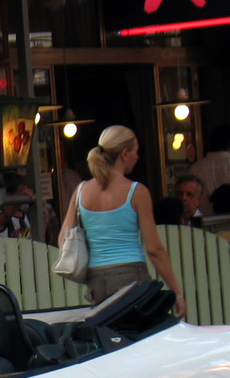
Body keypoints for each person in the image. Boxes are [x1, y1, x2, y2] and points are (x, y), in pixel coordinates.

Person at [59, 125, 187, 316]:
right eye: (136, 152)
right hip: (131, 277)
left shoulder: (81, 191)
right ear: (125, 154)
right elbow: (154, 249)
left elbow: (63, 239)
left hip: (97, 281)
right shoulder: (137, 192)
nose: (138, 157)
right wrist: (177, 292)